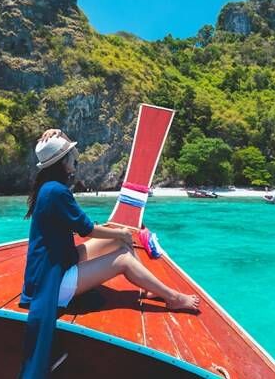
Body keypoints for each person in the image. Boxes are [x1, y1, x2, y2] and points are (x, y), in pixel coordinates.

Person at [19, 129, 199, 378]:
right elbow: (86, 230)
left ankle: (145, 285)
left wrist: (59, 133)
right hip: (53, 281)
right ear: (63, 162)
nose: (76, 156)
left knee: (118, 240)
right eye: (72, 153)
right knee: (123, 256)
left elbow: (86, 229)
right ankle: (172, 297)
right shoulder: (57, 192)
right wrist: (123, 234)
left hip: (55, 263)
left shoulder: (48, 186)